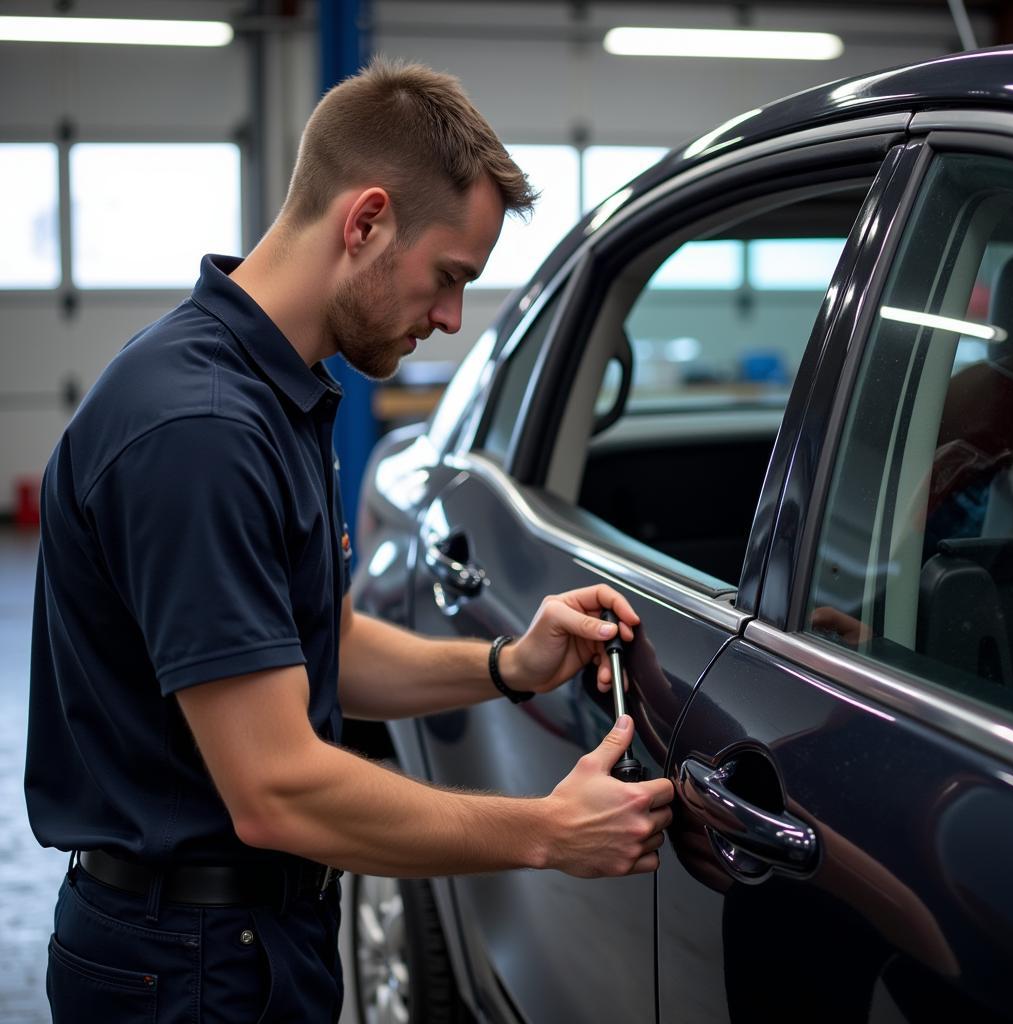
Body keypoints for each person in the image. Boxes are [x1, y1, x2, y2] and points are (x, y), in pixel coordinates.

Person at [27, 58, 674, 1022]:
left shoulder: (269, 390)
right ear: (366, 221)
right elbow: (278, 788)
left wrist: (506, 665)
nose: (452, 318)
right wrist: (545, 832)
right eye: (448, 278)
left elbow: (311, 640)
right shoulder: (200, 431)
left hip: (243, 938)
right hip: (184, 971)